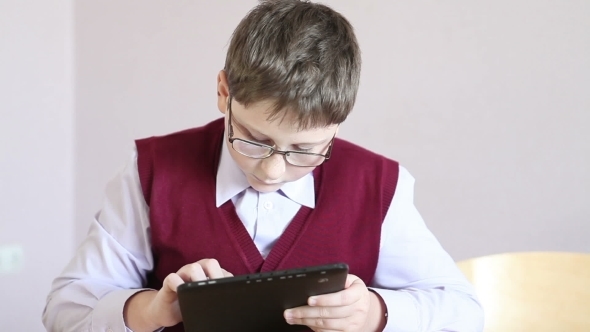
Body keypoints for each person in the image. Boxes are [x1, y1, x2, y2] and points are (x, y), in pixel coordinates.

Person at [43, 0, 484, 331]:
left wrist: (374, 312)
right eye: (254, 139)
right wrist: (151, 309)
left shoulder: (379, 185)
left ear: (338, 123)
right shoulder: (151, 170)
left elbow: (465, 312)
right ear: (223, 91)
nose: (271, 171)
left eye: (305, 150)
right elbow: (64, 309)